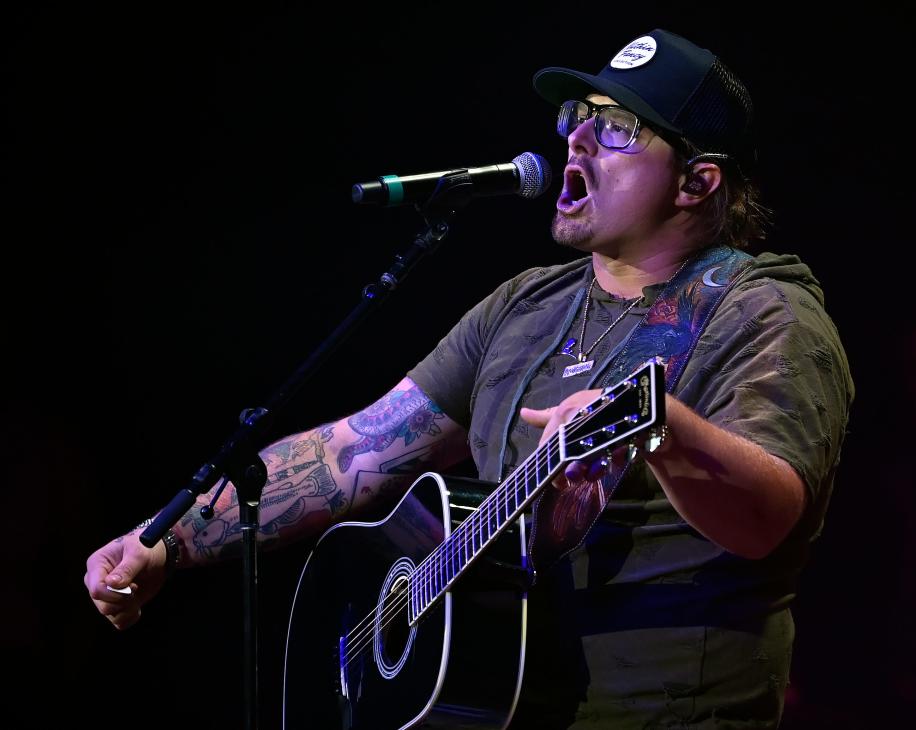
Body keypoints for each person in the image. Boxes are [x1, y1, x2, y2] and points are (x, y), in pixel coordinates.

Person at [85, 28, 853, 728]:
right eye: (575, 118)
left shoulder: (764, 313)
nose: (576, 141)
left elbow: (769, 519)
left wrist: (663, 428)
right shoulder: (524, 305)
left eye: (616, 128)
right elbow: (352, 455)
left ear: (696, 183)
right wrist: (166, 540)